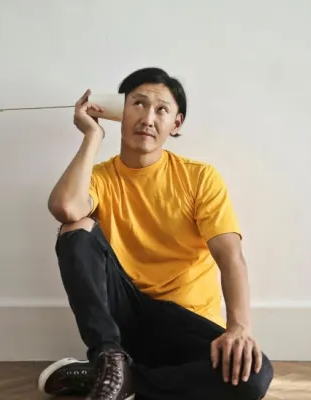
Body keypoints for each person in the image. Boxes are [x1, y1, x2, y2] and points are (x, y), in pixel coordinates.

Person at [38, 67, 274, 400]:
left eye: (161, 109)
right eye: (138, 104)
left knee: (255, 375)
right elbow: (65, 208)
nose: (148, 118)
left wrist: (240, 328)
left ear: (175, 124)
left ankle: (120, 380)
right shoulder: (101, 179)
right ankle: (109, 359)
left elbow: (230, 255)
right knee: (76, 228)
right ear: (119, 111)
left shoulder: (200, 178)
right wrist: (92, 136)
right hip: (123, 317)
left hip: (184, 321)